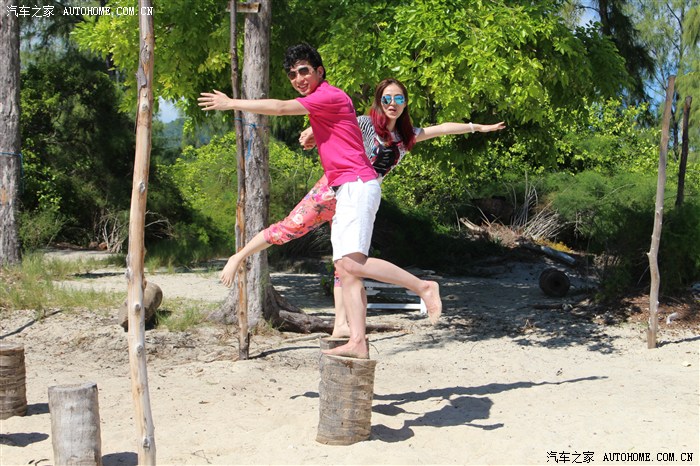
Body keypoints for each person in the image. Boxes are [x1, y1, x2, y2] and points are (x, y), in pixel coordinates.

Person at [215, 77, 506, 341]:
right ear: (379, 101)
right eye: (387, 98)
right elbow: (336, 120)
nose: (393, 104)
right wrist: (311, 131)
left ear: (406, 103)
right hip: (334, 189)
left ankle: (342, 325)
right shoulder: (365, 124)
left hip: (359, 199)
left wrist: (476, 127)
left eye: (399, 99)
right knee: (288, 229)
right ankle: (238, 256)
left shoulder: (406, 136)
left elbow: (440, 129)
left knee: (345, 263)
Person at [199, 43, 441, 359]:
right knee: (345, 269)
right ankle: (357, 341)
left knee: (352, 264)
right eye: (292, 75)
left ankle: (423, 287)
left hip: (357, 185)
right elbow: (337, 125)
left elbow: (281, 108)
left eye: (304, 71)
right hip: (344, 189)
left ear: (319, 72)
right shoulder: (324, 102)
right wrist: (314, 133)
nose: (298, 79)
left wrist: (231, 103)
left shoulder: (329, 94)